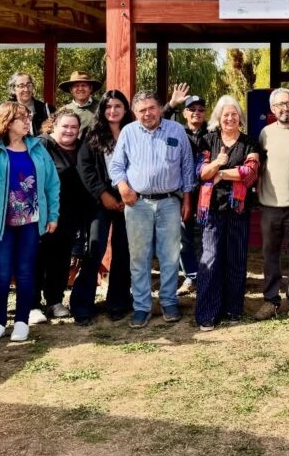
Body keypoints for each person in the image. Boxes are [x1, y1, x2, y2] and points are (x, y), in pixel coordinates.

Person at [0, 101, 60, 344]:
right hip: (0, 223)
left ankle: (21, 322)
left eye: (28, 117)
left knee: (26, 273)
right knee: (0, 274)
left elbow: (52, 183)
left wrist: (53, 215)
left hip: (31, 221)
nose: (27, 121)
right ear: (7, 122)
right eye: (22, 118)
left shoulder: (37, 147)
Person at [109, 91, 196, 329]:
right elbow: (116, 166)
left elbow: (187, 166)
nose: (147, 113)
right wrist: (123, 188)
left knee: (170, 256)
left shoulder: (176, 130)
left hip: (170, 202)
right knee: (139, 257)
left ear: (160, 108)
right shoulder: (128, 132)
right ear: (135, 113)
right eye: (142, 110)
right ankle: (142, 306)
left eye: (151, 108)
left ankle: (169, 302)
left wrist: (187, 200)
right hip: (137, 204)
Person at [194, 95, 261, 331]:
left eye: (234, 114)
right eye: (225, 115)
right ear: (218, 118)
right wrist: (217, 163)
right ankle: (207, 313)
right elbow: (201, 172)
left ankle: (233, 309)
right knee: (210, 259)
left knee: (236, 258)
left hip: (238, 209)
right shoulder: (207, 140)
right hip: (211, 208)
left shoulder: (249, 142)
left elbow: (250, 173)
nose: (230, 118)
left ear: (240, 118)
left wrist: (221, 174)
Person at [69, 90, 135, 325]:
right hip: (99, 200)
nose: (113, 111)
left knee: (123, 251)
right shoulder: (93, 133)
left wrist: (130, 194)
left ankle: (118, 302)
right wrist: (102, 194)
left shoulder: (134, 132)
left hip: (128, 199)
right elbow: (84, 166)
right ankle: (81, 304)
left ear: (125, 109)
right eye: (108, 106)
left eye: (118, 106)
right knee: (94, 249)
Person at [255, 88, 289, 324]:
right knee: (270, 254)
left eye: (288, 103)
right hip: (269, 204)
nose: (285, 108)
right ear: (272, 109)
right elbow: (258, 166)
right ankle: (271, 300)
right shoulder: (265, 133)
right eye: (279, 105)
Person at [34, 110, 87, 321]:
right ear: (53, 126)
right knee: (37, 258)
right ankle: (32, 304)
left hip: (70, 213)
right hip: (42, 213)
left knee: (61, 258)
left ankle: (54, 301)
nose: (69, 131)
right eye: (65, 126)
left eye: (74, 127)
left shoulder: (82, 147)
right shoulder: (41, 145)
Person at [175, 93, 207, 298]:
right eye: (192, 109)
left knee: (207, 238)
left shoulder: (213, 132)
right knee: (183, 237)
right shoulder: (176, 131)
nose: (196, 113)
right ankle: (191, 277)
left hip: (206, 193)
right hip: (181, 192)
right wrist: (171, 104)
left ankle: (208, 275)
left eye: (200, 109)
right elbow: (158, 120)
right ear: (184, 113)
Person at [7, 72, 55, 136]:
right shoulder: (7, 111)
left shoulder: (47, 109)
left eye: (29, 85)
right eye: (21, 86)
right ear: (13, 89)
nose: (26, 89)